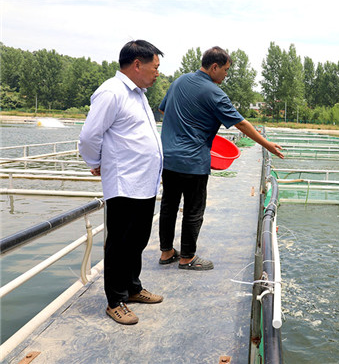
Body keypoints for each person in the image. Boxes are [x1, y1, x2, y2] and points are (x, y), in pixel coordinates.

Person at [157, 46, 284, 270]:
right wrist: (267, 145)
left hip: (168, 158)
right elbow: (241, 124)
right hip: (194, 160)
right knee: (194, 209)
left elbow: (164, 111)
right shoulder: (214, 92)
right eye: (225, 70)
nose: (226, 75)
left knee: (169, 205)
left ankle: (166, 252)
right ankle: (187, 257)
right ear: (214, 67)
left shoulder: (179, 82)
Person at [78, 40, 165, 325]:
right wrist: (95, 163)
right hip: (125, 182)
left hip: (144, 182)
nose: (157, 73)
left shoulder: (138, 94)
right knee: (120, 242)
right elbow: (90, 136)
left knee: (138, 239)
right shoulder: (111, 92)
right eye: (155, 67)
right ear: (137, 64)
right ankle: (115, 300)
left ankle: (133, 288)